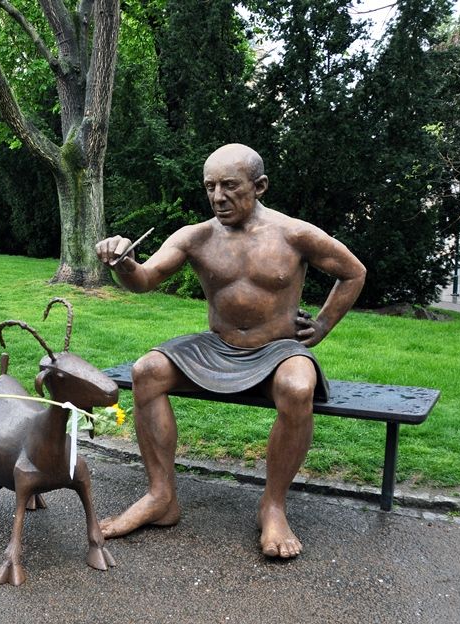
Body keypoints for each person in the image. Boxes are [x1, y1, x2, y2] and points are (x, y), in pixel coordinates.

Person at [94, 143, 366, 559]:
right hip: (217, 347)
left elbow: (353, 272)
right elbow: (146, 279)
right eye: (210, 187)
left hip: (279, 349)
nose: (219, 197)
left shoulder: (294, 233)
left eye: (230, 186)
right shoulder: (196, 237)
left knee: (297, 387)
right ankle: (161, 496)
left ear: (259, 186)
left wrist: (324, 324)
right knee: (146, 369)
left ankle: (273, 506)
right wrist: (125, 263)